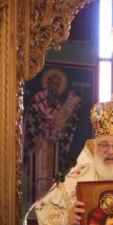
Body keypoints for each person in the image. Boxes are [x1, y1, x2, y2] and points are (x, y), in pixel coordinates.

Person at [25, 68, 82, 199]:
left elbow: (62, 123)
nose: (54, 88)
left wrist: (73, 107)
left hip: (53, 145)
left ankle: (50, 199)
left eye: (57, 85)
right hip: (39, 143)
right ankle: (36, 197)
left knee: (52, 170)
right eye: (53, 84)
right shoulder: (38, 98)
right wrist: (44, 125)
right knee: (38, 169)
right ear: (48, 84)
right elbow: (32, 119)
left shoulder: (57, 104)